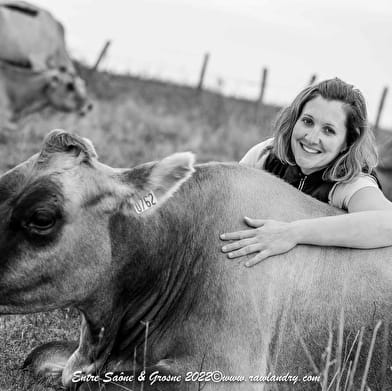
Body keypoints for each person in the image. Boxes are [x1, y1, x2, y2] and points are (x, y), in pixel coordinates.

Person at [220, 78, 392, 267]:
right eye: (308, 122)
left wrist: (292, 233)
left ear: (348, 141)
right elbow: (227, 201)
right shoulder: (265, 154)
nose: (311, 137)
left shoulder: (351, 181)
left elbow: (388, 224)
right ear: (295, 120)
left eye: (328, 130)